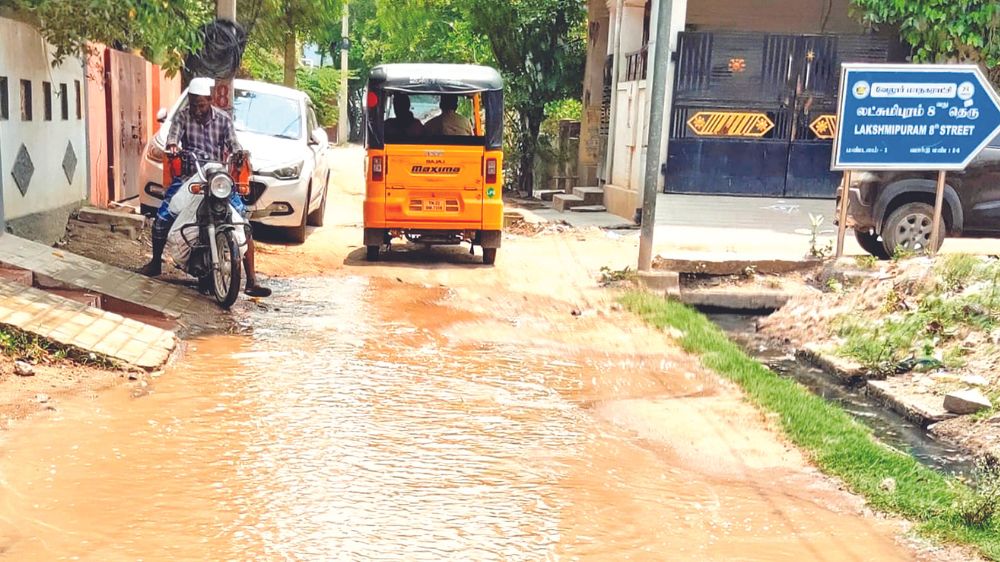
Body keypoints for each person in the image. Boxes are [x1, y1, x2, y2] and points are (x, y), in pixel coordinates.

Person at [140, 77, 272, 298]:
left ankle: (251, 281)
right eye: (193, 104)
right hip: (190, 176)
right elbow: (173, 138)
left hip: (217, 176)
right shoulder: (183, 117)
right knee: (164, 215)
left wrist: (237, 152)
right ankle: (155, 263)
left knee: (243, 221)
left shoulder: (223, 120)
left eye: (201, 104)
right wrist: (173, 147)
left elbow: (233, 143)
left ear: (210, 100)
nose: (197, 109)